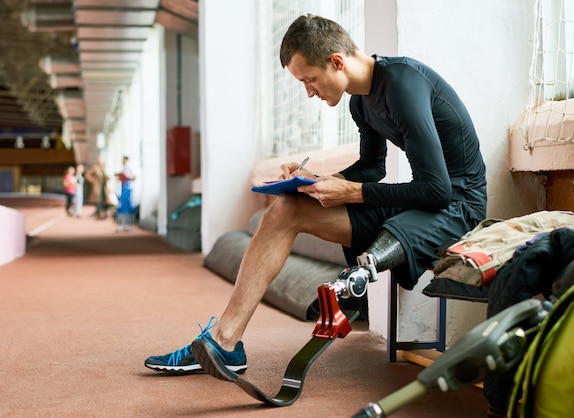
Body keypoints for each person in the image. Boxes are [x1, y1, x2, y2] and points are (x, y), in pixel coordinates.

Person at [145, 14, 487, 378]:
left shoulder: (403, 84)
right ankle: (225, 342)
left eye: (310, 79)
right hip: (422, 201)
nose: (309, 91)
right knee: (285, 210)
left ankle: (350, 284)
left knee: (380, 230)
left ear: (337, 61)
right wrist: (319, 180)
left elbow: (438, 189)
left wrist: (351, 191)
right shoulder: (360, 102)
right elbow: (373, 167)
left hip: (457, 204)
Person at [114, 156, 137, 231]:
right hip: (123, 188)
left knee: (127, 205)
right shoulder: (123, 169)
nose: (123, 161)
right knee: (122, 205)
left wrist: (126, 177)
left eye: (124, 160)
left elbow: (134, 177)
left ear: (127, 160)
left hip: (127, 189)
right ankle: (122, 224)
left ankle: (128, 225)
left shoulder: (129, 168)